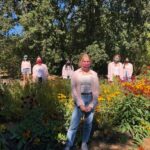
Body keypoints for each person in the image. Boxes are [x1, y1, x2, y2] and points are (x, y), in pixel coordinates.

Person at [64, 53, 99, 150]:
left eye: (88, 61)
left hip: (90, 99)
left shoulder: (94, 74)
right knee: (74, 124)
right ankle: (69, 144)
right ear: (80, 62)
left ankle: (84, 143)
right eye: (84, 61)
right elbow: (74, 90)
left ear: (90, 62)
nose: (86, 63)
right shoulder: (75, 74)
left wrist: (91, 105)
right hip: (79, 99)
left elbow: (96, 91)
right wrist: (80, 104)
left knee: (88, 124)